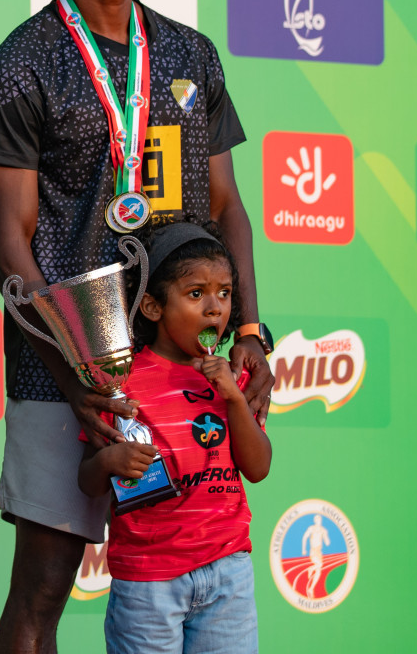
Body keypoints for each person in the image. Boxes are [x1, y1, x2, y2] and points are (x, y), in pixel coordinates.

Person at [0, 0, 274, 654]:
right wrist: (77, 373)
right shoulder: (21, 64)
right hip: (67, 372)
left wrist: (247, 330)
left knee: (197, 576)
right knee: (39, 594)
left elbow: (225, 207)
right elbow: (10, 238)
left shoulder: (188, 53)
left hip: (187, 367)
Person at [78, 221, 272, 654]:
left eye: (224, 294)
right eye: (196, 293)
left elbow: (258, 468)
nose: (215, 309)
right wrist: (110, 463)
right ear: (152, 307)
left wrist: (236, 402)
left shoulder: (236, 377)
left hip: (228, 571)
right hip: (148, 579)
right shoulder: (121, 381)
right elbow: (88, 480)